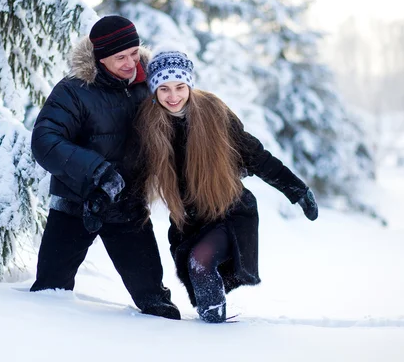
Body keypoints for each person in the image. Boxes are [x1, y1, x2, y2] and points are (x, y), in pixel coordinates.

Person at [136, 47, 319, 323]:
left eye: (179, 87)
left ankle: (218, 338)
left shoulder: (213, 112)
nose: (172, 97)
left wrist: (297, 190)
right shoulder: (150, 124)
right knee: (196, 271)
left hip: (229, 210)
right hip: (189, 221)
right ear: (154, 90)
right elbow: (135, 172)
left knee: (200, 262)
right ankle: (214, 326)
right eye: (163, 89)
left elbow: (256, 157)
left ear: (189, 85)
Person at [29, 16, 180, 320]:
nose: (130, 63)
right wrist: (99, 172)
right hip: (76, 205)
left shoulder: (150, 85)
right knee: (49, 294)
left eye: (134, 53)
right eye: (120, 57)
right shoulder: (73, 90)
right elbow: (45, 141)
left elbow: (182, 125)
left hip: (129, 209)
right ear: (99, 57)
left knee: (157, 306)